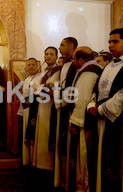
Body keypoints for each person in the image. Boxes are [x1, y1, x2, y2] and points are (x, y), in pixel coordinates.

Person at [87, 28, 123, 192]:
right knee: (99, 160)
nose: (110, 45)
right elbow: (97, 89)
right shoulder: (108, 66)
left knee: (113, 163)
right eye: (109, 42)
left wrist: (101, 109)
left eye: (115, 41)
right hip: (100, 120)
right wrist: (91, 105)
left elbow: (122, 95)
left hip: (116, 122)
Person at [67, 47, 102, 192]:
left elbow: (81, 99)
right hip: (89, 119)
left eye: (74, 59)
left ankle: (82, 187)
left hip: (83, 123)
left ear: (80, 60)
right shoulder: (96, 68)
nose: (73, 63)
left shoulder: (88, 72)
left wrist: (75, 122)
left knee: (83, 159)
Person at [54, 37, 78, 189]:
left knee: (69, 146)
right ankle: (62, 180)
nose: (60, 47)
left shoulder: (76, 64)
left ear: (72, 46)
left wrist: (63, 101)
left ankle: (69, 181)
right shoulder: (64, 64)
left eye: (62, 45)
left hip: (70, 109)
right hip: (62, 106)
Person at [33, 46, 61, 170]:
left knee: (48, 132)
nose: (48, 56)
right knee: (41, 132)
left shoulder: (58, 70)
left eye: (51, 54)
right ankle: (40, 162)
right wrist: (42, 86)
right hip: (42, 104)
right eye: (46, 54)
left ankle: (48, 164)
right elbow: (35, 87)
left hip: (51, 105)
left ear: (56, 56)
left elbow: (51, 87)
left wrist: (41, 87)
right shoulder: (44, 71)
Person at [21, 58, 42, 166]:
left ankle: (35, 160)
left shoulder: (41, 77)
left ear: (37, 66)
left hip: (36, 109)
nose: (31, 66)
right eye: (29, 65)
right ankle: (27, 160)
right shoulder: (26, 79)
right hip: (26, 110)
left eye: (33, 64)